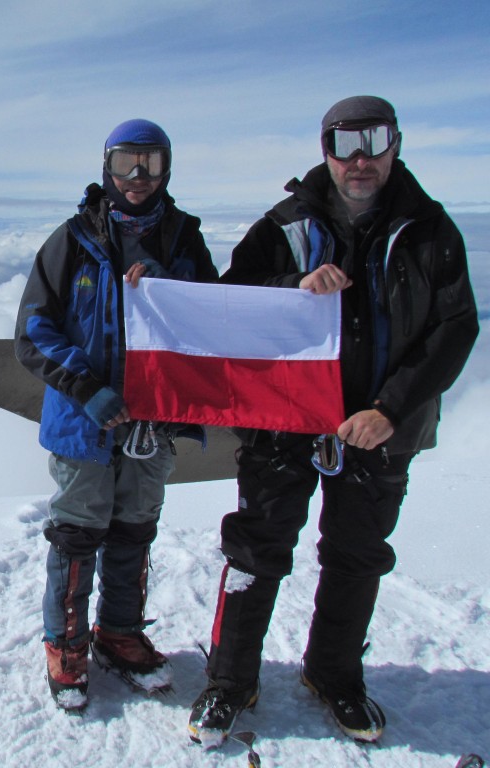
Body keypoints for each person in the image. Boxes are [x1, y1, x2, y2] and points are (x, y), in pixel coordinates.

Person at [187, 96, 479, 745]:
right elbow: (234, 300)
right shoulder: (286, 224)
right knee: (255, 548)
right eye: (344, 143)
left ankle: (334, 674)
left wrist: (391, 409)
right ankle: (231, 680)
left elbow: (454, 327)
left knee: (357, 555)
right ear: (325, 149)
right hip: (285, 423)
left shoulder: (430, 230)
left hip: (378, 429)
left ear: (396, 143)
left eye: (373, 141)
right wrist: (292, 284)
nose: (360, 158)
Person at [15, 119, 218, 712]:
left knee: (134, 527)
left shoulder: (183, 239)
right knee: (78, 531)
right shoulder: (72, 240)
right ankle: (67, 644)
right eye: (127, 162)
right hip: (86, 422)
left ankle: (120, 634)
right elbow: (33, 329)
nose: (138, 177)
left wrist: (169, 285)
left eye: (150, 164)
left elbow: (211, 314)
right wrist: (85, 386)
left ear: (168, 169)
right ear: (106, 166)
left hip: (153, 418)